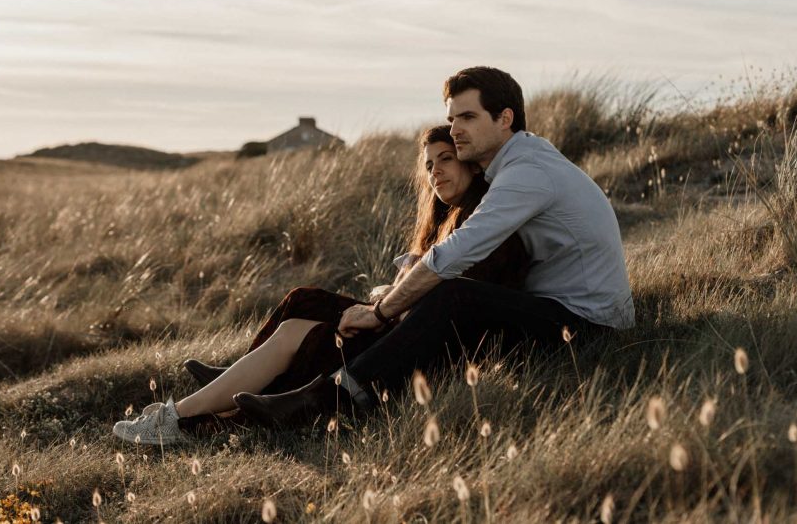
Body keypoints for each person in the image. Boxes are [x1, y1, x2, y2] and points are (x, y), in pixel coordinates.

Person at [233, 66, 635, 425]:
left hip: (588, 325)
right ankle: (271, 383)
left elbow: (458, 251)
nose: (456, 128)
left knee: (456, 295)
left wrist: (381, 311)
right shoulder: (521, 163)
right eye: (451, 118)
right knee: (435, 297)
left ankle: (330, 400)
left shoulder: (526, 173)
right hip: (559, 311)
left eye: (468, 117)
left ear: (505, 118)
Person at [112, 124, 529, 445]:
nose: (435, 171)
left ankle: (182, 416)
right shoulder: (446, 218)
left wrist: (385, 307)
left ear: (472, 164)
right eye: (429, 165)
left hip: (422, 346)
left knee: (307, 336)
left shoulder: (483, 221)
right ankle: (236, 382)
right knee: (303, 303)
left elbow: (456, 299)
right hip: (399, 320)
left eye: (446, 160)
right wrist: (388, 294)